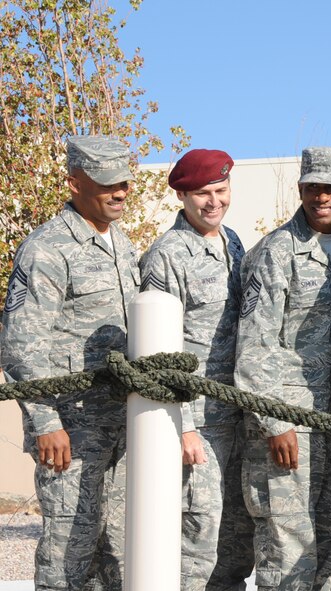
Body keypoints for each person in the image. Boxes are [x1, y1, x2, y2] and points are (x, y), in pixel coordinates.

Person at [1, 135, 140, 590]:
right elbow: (22, 343)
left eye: (124, 182)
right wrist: (45, 422)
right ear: (75, 182)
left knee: (120, 554)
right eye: (107, 183)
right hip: (71, 430)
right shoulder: (47, 248)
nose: (119, 192)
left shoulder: (123, 245)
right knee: (68, 555)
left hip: (123, 425)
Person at [234, 147, 331, 591]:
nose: (321, 196)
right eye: (313, 187)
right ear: (300, 189)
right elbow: (253, 346)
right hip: (288, 423)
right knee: (286, 549)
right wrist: (275, 423)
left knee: (327, 547)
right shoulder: (276, 252)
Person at [139, 149, 254, 590]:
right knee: (197, 540)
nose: (214, 202)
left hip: (238, 414)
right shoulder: (166, 256)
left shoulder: (234, 243)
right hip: (198, 423)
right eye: (203, 193)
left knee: (236, 542)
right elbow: (156, 350)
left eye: (221, 190)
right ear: (182, 196)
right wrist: (183, 426)